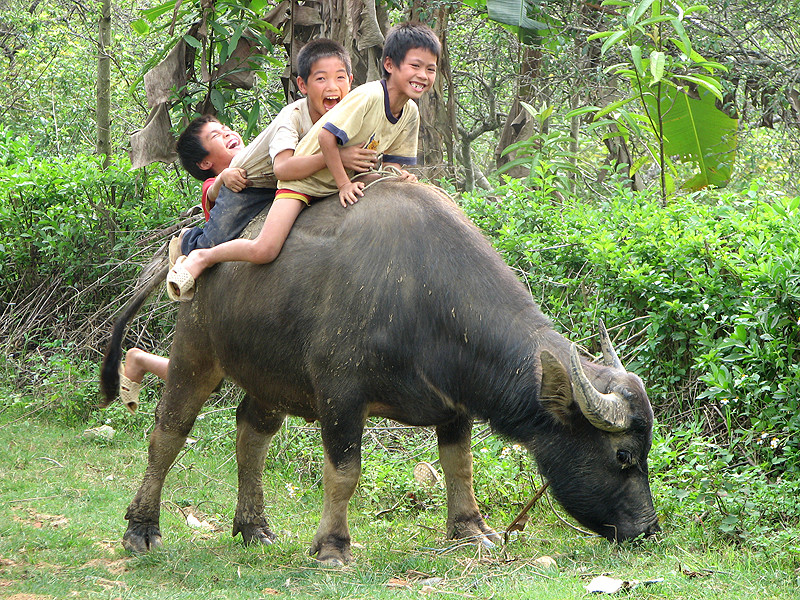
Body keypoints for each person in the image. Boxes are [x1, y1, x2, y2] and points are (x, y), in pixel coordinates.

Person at [119, 39, 374, 408]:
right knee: (213, 242)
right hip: (235, 206)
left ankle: (140, 360)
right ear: (207, 162)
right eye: (218, 139)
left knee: (205, 372)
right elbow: (212, 194)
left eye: (226, 130)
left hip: (266, 192)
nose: (229, 136)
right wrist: (224, 180)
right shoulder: (221, 181)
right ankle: (189, 246)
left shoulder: (254, 157)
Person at [166, 22, 441, 301]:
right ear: (390, 65)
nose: (423, 75)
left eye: (430, 69)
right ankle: (200, 253)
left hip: (326, 174)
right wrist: (345, 182)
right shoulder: (329, 107)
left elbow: (393, 161)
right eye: (321, 79)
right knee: (265, 249)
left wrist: (397, 176)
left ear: (351, 78)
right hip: (275, 181)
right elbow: (303, 155)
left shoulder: (409, 112)